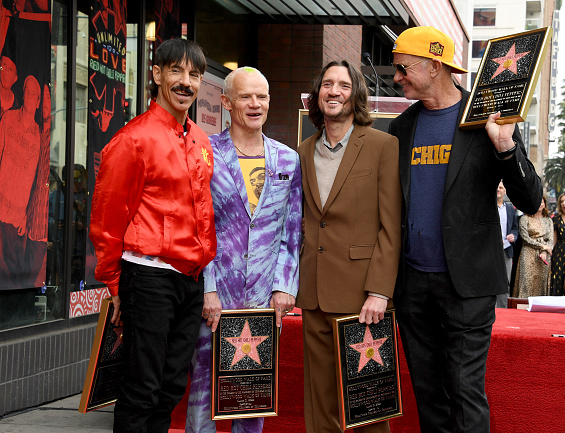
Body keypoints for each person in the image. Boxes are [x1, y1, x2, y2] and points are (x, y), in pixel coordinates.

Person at [387, 26, 542, 433]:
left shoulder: (488, 118)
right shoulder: (401, 128)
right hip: (413, 287)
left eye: (403, 68)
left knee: (464, 389)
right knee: (428, 393)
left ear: (434, 65)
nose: (397, 77)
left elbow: (529, 200)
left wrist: (505, 147)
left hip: (468, 286)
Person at [89, 38, 216, 433]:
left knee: (171, 386)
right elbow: (107, 221)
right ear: (156, 74)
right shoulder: (133, 140)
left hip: (189, 280)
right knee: (142, 387)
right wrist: (114, 286)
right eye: (176, 71)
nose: (186, 82)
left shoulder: (199, 138)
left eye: (194, 74)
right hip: (147, 278)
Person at [185, 66, 302, 433]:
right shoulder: (205, 154)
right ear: (226, 102)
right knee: (203, 391)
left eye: (262, 96)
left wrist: (285, 286)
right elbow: (197, 226)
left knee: (250, 399)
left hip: (263, 300)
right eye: (245, 96)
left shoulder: (287, 160)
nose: (255, 104)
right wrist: (208, 289)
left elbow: (292, 230)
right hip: (216, 296)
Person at [297, 60, 401, 433]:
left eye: (343, 85)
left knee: (368, 405)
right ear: (317, 94)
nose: (334, 91)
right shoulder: (304, 150)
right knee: (319, 405)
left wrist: (379, 291)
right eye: (327, 84)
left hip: (363, 298)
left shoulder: (382, 146)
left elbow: (391, 227)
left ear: (355, 94)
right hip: (313, 295)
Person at [0, 74, 44, 289]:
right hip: (0, 201)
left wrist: (26, 215)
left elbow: (35, 181)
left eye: (34, 94)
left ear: (38, 102)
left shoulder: (38, 136)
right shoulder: (8, 118)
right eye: (27, 91)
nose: (29, 96)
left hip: (17, 214)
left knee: (12, 265)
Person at [513, 196, 553, 298]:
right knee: (527, 281)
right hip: (528, 252)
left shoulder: (548, 220)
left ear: (545, 204)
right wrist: (542, 246)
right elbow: (525, 238)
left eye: (542, 202)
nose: (540, 204)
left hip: (544, 256)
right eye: (537, 202)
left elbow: (551, 239)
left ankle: (540, 309)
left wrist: (545, 251)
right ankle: (522, 307)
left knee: (541, 282)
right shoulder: (524, 218)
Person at [496, 181, 518, 307]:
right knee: (491, 281)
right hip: (490, 251)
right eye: (496, 187)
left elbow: (515, 228)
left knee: (506, 282)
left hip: (506, 250)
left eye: (501, 188)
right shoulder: (487, 207)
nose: (498, 190)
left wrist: (513, 236)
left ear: (504, 191)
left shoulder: (510, 209)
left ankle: (502, 310)